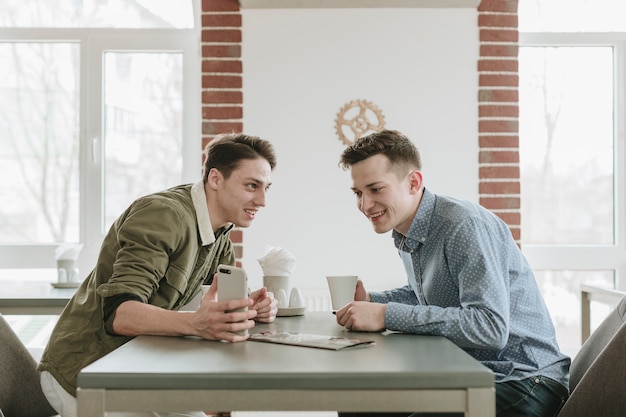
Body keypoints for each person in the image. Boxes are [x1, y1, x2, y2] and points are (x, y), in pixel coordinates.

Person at [38, 133, 279, 417]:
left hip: (142, 364)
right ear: (215, 179)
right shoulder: (163, 215)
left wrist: (250, 307)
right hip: (87, 370)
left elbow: (208, 309)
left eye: (266, 188)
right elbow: (119, 314)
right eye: (252, 186)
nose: (262, 200)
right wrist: (198, 324)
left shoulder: (220, 236)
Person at [335, 129, 570, 417]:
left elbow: (490, 327)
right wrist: (373, 300)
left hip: (525, 380)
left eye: (375, 189)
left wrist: (384, 314)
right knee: (360, 405)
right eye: (358, 193)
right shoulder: (409, 230)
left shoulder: (462, 225)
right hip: (475, 373)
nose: (364, 205)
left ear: (413, 182)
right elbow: (433, 295)